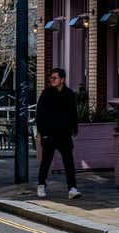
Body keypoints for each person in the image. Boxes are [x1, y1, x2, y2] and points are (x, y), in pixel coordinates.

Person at [36, 68, 81, 200]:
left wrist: (74, 129)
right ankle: (41, 185)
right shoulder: (46, 93)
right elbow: (40, 114)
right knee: (46, 161)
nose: (52, 80)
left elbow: (73, 112)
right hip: (49, 133)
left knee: (69, 162)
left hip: (64, 134)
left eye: (55, 78)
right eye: (51, 78)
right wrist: (41, 132)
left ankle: (72, 189)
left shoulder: (69, 94)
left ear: (62, 79)